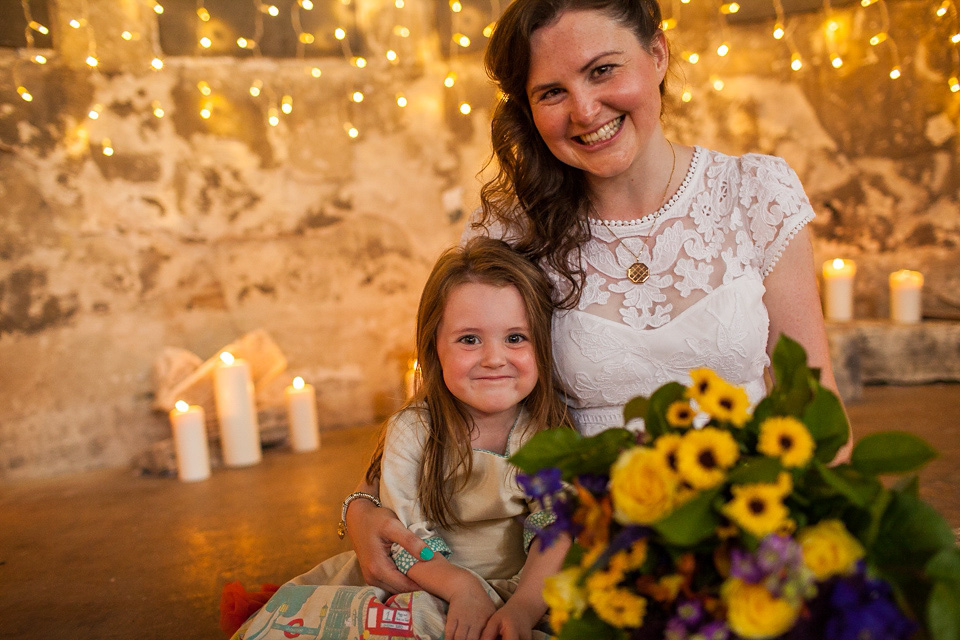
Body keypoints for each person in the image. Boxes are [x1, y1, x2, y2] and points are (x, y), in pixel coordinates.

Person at [348, 0, 850, 601]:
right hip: (579, 552)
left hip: (752, 528)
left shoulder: (755, 192)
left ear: (657, 55)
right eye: (551, 92)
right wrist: (362, 504)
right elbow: (458, 394)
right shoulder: (510, 229)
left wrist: (825, 545)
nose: (585, 110)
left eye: (603, 70)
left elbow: (818, 407)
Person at [227, 237, 573, 640]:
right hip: (425, 582)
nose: (494, 358)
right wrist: (463, 588)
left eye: (516, 338)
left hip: (526, 591)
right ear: (434, 347)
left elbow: (556, 530)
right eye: (469, 339)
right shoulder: (413, 431)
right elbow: (405, 536)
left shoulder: (546, 434)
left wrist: (524, 608)